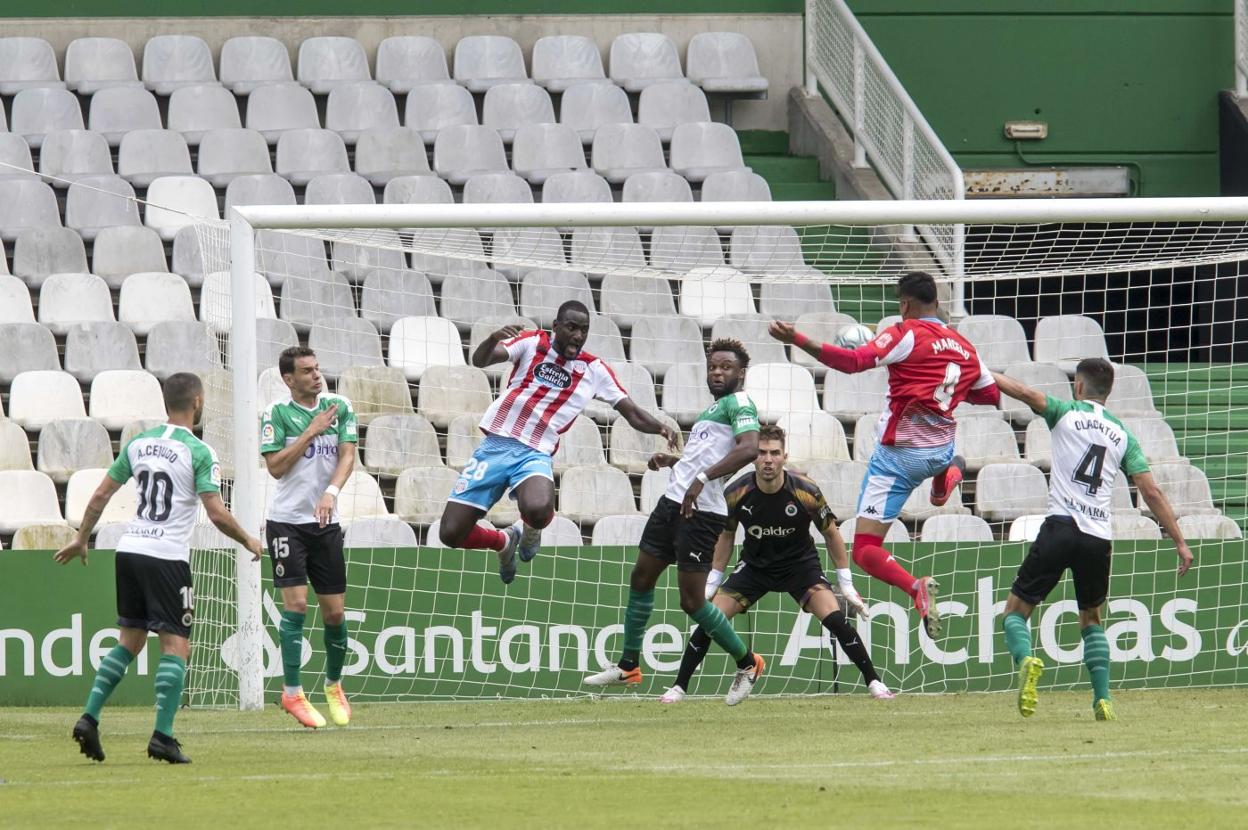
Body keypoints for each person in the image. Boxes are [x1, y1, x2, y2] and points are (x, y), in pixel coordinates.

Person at [769, 271, 1000, 637]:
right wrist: (944, 384)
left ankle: (915, 588)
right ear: (937, 303)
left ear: (904, 304)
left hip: (900, 459)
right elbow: (990, 395)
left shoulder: (903, 331)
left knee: (864, 549)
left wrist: (796, 338)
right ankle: (947, 479)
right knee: (940, 466)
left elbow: (852, 362)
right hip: (941, 448)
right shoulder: (965, 346)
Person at [56, 372, 265, 764]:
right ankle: (162, 737)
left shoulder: (139, 443)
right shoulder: (200, 452)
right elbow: (216, 513)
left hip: (130, 550)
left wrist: (82, 537)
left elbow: (102, 493)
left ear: (166, 403)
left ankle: (89, 717)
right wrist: (249, 540)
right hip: (166, 556)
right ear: (198, 402)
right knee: (176, 647)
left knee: (129, 642)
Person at [992, 359, 1193, 721]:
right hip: (1098, 538)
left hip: (1060, 527)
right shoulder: (1122, 434)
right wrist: (1178, 540)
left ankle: (1026, 660)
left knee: (1014, 613)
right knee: (1092, 619)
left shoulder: (1065, 412)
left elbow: (1022, 392)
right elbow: (1151, 492)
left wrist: (976, 367)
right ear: (1110, 391)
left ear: (1079, 388)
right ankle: (1103, 700)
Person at [437, 300, 677, 583]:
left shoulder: (594, 370)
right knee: (450, 533)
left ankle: (530, 530)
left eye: (584, 330)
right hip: (495, 447)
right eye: (572, 328)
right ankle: (503, 542)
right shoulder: (532, 342)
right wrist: (491, 339)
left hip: (534, 453)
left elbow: (631, 411)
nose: (578, 336)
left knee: (539, 509)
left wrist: (661, 427)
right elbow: (480, 360)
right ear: (556, 326)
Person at [585, 339, 767, 706]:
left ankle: (748, 663)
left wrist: (701, 479)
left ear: (741, 373)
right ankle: (628, 666)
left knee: (692, 601)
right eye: (713, 366)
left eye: (726, 367)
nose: (717, 372)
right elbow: (705, 456)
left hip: (700, 513)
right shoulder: (713, 409)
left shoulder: (741, 403)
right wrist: (676, 463)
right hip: (674, 503)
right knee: (641, 576)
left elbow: (749, 448)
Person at [662, 425, 894, 703]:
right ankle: (679, 687)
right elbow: (726, 534)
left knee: (836, 621)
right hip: (754, 566)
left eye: (774, 453)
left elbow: (831, 533)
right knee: (711, 619)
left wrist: (845, 583)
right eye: (761, 453)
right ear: (753, 458)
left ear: (785, 456)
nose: (768, 459)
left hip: (800, 566)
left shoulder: (806, 491)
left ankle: (874, 682)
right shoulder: (736, 492)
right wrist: (713, 579)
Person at [260, 346, 358, 729]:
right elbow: (275, 468)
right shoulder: (276, 414)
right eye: (307, 371)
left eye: (318, 369)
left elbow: (348, 455)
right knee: (297, 606)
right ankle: (292, 692)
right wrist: (310, 431)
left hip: (325, 523)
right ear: (289, 379)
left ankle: (333, 686)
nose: (317, 376)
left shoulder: (340, 406)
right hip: (286, 523)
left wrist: (331, 492)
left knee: (334, 612)